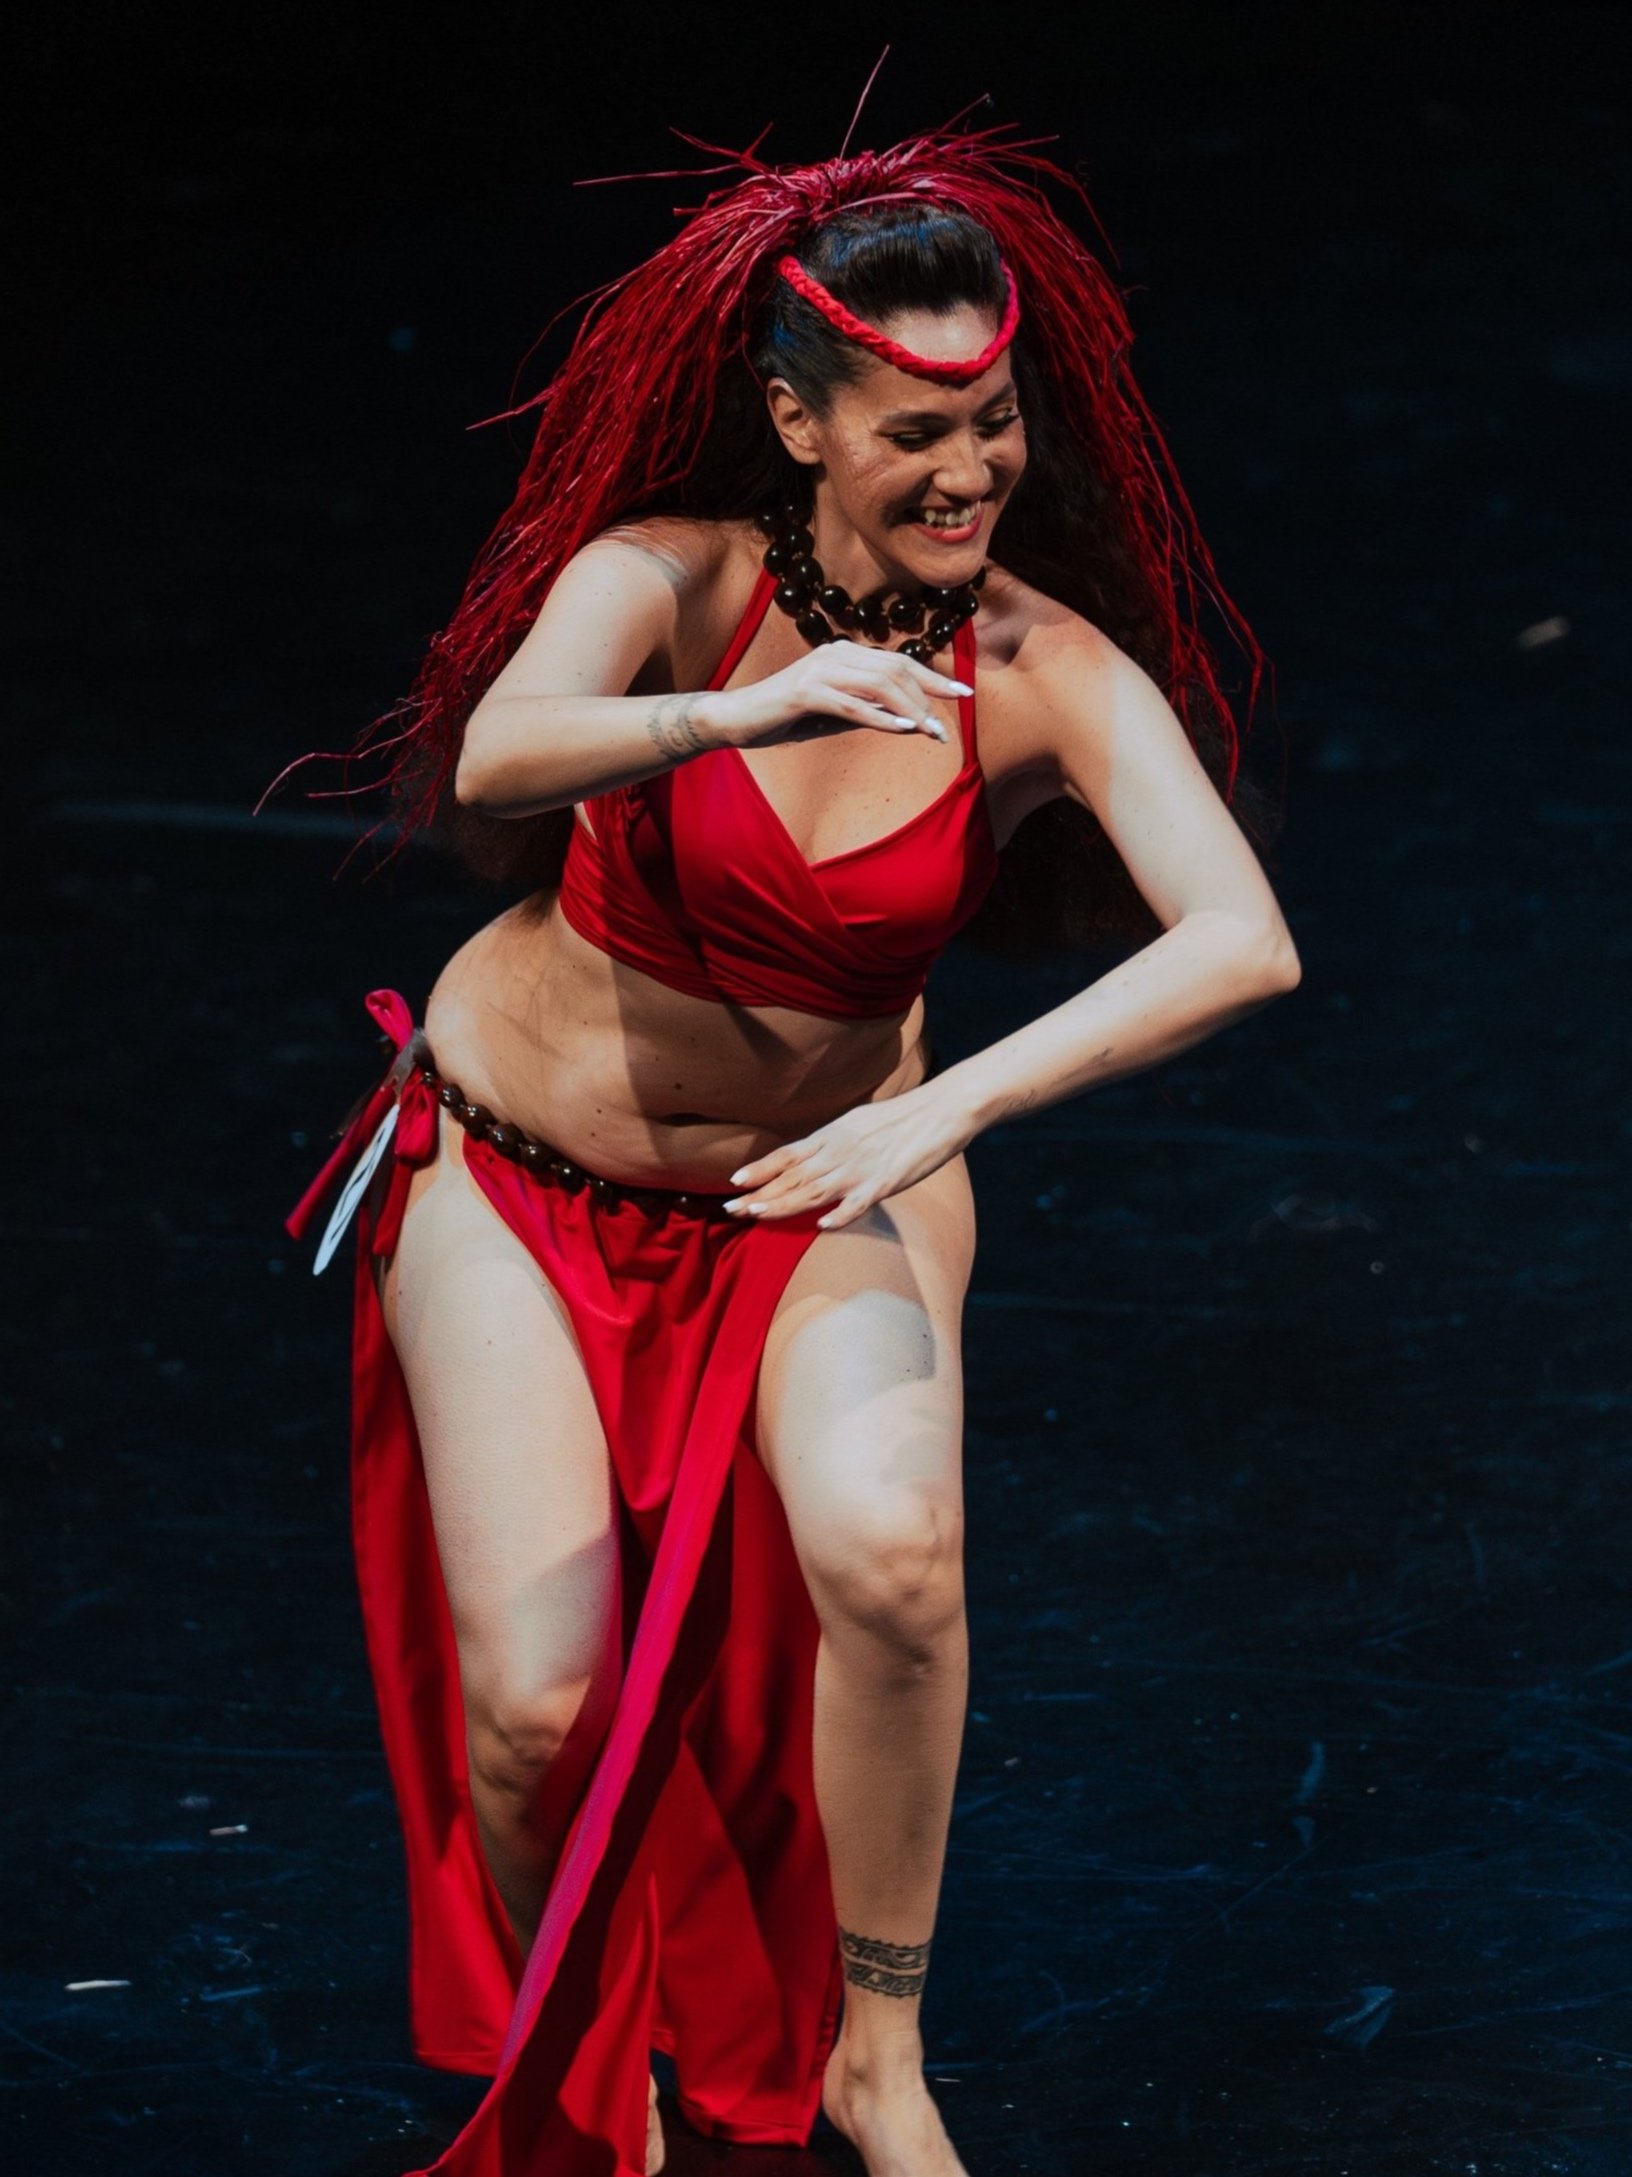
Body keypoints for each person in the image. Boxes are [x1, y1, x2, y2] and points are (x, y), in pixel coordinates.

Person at [281, 124, 1300, 2177]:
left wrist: (943, 1108)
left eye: (997, 423)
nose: (972, 471)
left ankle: (879, 2057)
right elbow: (502, 749)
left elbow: (1244, 940)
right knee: (540, 1709)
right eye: (919, 430)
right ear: (796, 422)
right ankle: (600, 2088)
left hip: (822, 1182)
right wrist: (735, 718)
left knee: (897, 1563)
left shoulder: (1038, 671)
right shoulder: (668, 579)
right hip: (516, 1178)